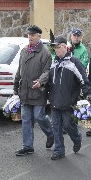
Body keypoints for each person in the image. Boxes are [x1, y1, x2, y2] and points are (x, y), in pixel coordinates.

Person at [13, 25, 54, 156]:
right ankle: (28, 146)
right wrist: (15, 87)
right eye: (29, 35)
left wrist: (40, 81)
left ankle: (51, 133)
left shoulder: (45, 53)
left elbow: (47, 71)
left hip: (38, 91)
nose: (30, 37)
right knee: (26, 119)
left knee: (39, 116)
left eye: (33, 35)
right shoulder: (24, 51)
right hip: (25, 91)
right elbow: (20, 71)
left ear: (39, 36)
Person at [48, 36, 90, 160]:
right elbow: (50, 81)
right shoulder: (54, 63)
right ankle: (59, 150)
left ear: (65, 47)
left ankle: (77, 139)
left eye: (58, 47)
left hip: (69, 102)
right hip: (55, 101)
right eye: (54, 48)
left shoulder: (74, 63)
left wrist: (87, 94)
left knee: (69, 126)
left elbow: (84, 80)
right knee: (56, 126)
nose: (56, 50)